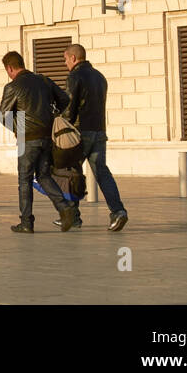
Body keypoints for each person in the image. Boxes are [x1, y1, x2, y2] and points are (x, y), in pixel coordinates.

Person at [0, 51, 78, 233]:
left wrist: (19, 128)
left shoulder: (13, 87)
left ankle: (26, 222)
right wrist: (53, 117)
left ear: (10, 68)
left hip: (28, 140)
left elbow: (2, 115)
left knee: (24, 180)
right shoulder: (44, 80)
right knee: (43, 175)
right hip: (47, 137)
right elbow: (65, 100)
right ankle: (65, 208)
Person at [63, 44, 129, 232]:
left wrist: (60, 125)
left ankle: (73, 217)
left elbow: (70, 107)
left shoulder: (74, 76)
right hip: (99, 131)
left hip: (81, 132)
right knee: (102, 172)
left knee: (71, 172)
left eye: (66, 59)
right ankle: (118, 211)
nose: (65, 63)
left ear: (74, 58)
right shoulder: (100, 77)